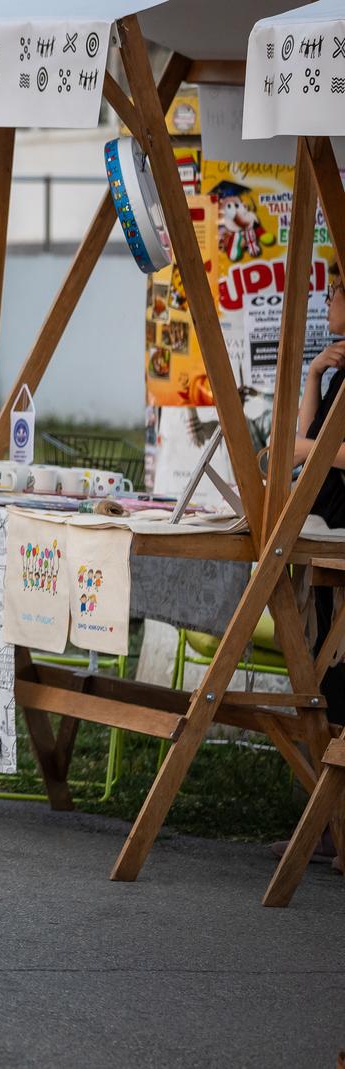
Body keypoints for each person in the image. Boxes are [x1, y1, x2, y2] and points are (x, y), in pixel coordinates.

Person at [290, 257, 345, 868]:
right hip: (322, 525)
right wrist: (311, 377)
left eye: (334, 293)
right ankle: (325, 826)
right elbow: (308, 443)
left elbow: (309, 447)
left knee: (334, 669)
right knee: (319, 674)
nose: (327, 302)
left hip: (339, 530)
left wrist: (307, 448)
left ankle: (332, 829)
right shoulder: (334, 373)